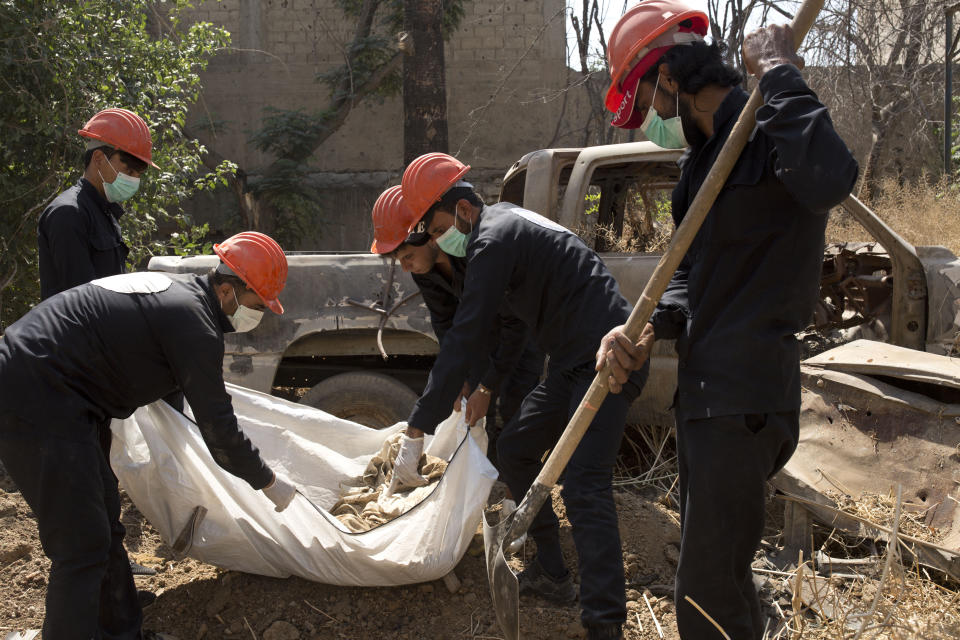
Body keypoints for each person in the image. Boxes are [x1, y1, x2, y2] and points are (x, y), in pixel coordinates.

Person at [596, 2, 859, 638]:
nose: (656, 123)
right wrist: (652, 325)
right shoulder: (699, 167)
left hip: (747, 398)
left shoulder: (771, 133)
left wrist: (778, 68)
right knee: (725, 577)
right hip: (705, 396)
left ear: (669, 78)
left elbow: (832, 177)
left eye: (652, 103)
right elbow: (687, 275)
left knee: (704, 596)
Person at [389, 153, 647, 640]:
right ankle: (553, 575)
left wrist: (418, 425)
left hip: (610, 356)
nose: (439, 238)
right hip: (573, 362)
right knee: (516, 448)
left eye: (439, 226)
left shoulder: (493, 238)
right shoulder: (490, 237)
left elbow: (466, 333)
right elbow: (469, 333)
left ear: (463, 210)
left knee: (585, 485)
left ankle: (605, 625)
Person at [0, 231, 298, 640]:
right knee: (80, 545)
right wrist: (268, 481)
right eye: (258, 304)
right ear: (228, 290)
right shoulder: (195, 324)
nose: (260, 313)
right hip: (38, 396)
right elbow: (218, 428)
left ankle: (120, 629)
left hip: (69, 400)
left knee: (104, 522)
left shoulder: (183, 301)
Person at [370, 185, 543, 469]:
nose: (405, 268)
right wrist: (461, 379)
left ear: (428, 237)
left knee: (517, 408)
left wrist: (487, 388)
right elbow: (447, 325)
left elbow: (511, 324)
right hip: (478, 339)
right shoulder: (425, 271)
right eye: (400, 261)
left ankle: (519, 489)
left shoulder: (477, 251)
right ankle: (484, 481)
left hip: (520, 334)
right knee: (473, 414)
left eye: (408, 257)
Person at [38, 108, 157, 300]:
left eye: (138, 175)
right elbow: (81, 300)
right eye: (129, 170)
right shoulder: (68, 213)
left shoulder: (104, 211)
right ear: (99, 159)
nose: (134, 180)